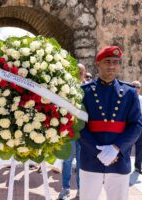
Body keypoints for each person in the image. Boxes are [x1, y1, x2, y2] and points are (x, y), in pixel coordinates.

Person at [79, 46, 142, 200]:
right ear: (98, 64)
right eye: (107, 62)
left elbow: (136, 125)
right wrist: (98, 151)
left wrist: (115, 149)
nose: (112, 66)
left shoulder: (130, 92)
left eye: (116, 62)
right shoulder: (84, 91)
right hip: (91, 159)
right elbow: (78, 126)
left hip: (119, 159)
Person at [57, 63, 84, 199]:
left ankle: (80, 190)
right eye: (76, 71)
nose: (79, 74)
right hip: (68, 132)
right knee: (67, 161)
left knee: (81, 162)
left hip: (84, 134)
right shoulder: (65, 88)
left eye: (81, 72)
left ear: (84, 74)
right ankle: (65, 189)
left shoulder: (88, 89)